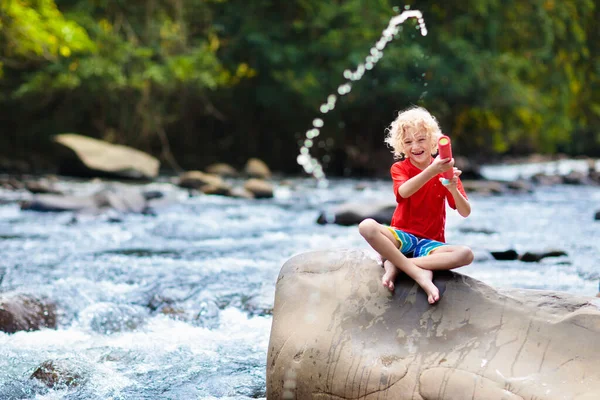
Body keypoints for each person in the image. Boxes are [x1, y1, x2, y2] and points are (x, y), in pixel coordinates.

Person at [358, 106, 474, 304]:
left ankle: (398, 264)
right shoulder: (400, 168)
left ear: (433, 141)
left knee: (466, 254)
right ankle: (419, 274)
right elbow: (403, 192)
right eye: (408, 142)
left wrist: (453, 187)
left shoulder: (445, 171)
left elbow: (465, 211)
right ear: (401, 146)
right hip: (401, 236)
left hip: (430, 244)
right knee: (366, 226)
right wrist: (432, 170)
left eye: (421, 139)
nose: (415, 146)